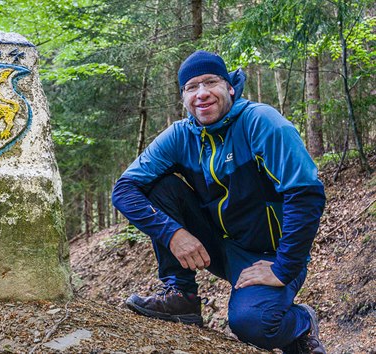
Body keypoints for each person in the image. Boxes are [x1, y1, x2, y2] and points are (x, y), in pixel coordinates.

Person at [111, 50, 326, 354]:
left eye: (210, 82)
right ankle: (181, 294)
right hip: (218, 244)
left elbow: (306, 194)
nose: (202, 94)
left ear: (230, 87)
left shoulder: (261, 122)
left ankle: (301, 324)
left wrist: (284, 268)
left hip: (268, 253)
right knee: (157, 186)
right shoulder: (181, 136)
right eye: (191, 87)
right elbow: (123, 189)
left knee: (255, 323)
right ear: (183, 97)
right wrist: (174, 234)